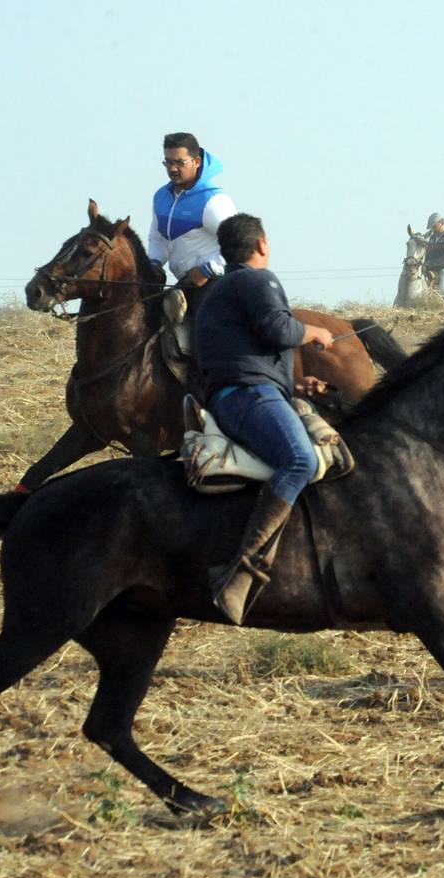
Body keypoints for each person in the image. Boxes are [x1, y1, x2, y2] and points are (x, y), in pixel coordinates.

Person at [195, 213, 335, 625]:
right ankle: (243, 569)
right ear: (261, 245)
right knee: (301, 461)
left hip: (245, 392)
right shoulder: (258, 280)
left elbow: (243, 353)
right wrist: (314, 332)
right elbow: (278, 329)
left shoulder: (221, 291)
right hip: (248, 396)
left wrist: (292, 386)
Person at [148, 132, 236, 315]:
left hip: (215, 284)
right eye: (168, 162)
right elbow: (157, 239)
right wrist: (154, 263)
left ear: (196, 161)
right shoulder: (161, 197)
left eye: (180, 162)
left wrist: (207, 269)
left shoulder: (214, 200)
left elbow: (239, 245)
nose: (173, 169)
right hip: (185, 284)